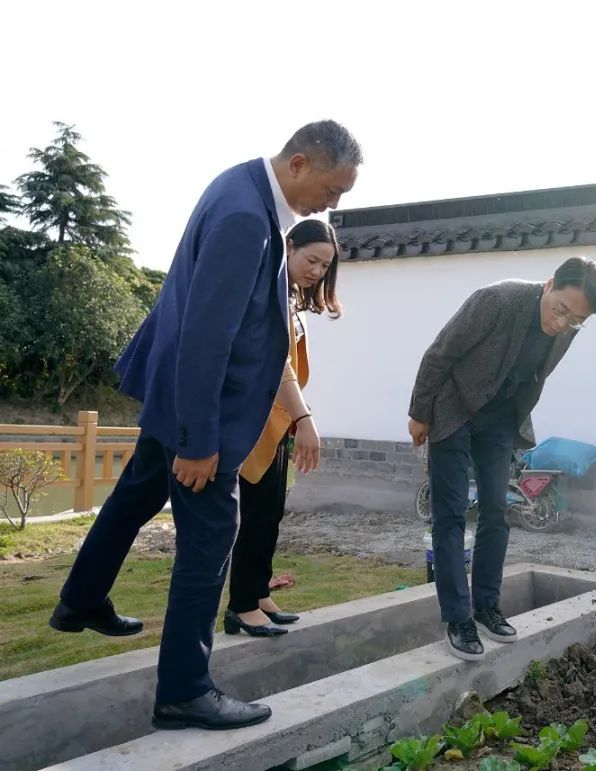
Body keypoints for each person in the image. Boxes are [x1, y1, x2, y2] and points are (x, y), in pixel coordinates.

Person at [48, 121, 362, 729]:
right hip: (202, 414)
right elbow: (205, 337)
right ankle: (185, 690)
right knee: (213, 537)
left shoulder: (240, 188)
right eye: (333, 188)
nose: (334, 204)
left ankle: (80, 600)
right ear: (300, 163)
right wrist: (196, 442)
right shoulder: (247, 216)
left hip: (176, 399)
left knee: (134, 496)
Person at [408, 257, 596, 660]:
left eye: (575, 320)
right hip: (453, 410)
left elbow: (535, 375)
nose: (562, 323)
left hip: (499, 420)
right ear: (549, 283)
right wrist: (419, 413)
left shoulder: (566, 331)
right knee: (450, 512)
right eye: (560, 310)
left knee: (497, 511)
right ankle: (458, 617)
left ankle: (485, 606)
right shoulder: (497, 301)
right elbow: (439, 353)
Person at [223, 219, 343, 638]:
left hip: (276, 422)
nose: (316, 271)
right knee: (253, 515)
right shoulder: (267, 289)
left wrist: (296, 416)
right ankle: (240, 605)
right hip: (253, 420)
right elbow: (277, 362)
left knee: (269, 513)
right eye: (311, 259)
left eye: (324, 267)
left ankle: (257, 593)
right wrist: (305, 416)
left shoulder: (290, 296)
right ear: (288, 247)